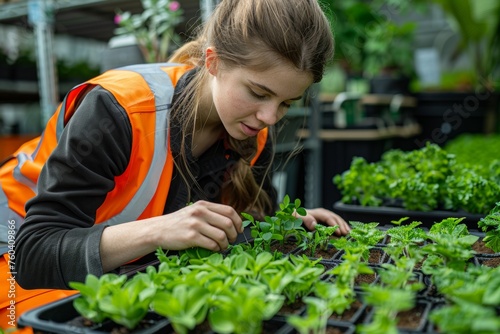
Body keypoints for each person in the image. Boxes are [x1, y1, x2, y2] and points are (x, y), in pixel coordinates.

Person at [2, 0, 349, 304]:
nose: (270, 117)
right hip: (15, 252)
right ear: (213, 62)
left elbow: (245, 223)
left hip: (110, 266)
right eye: (258, 93)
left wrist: (286, 224)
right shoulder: (118, 111)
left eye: (286, 103)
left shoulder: (252, 134)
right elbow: (32, 256)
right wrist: (159, 230)